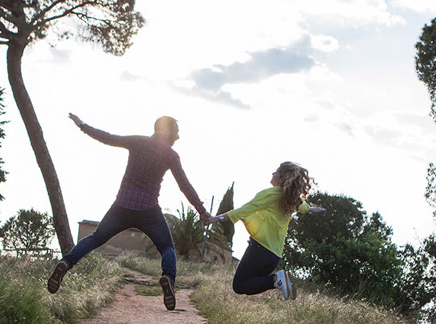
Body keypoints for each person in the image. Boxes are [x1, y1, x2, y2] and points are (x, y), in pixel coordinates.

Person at [47, 113, 210, 310]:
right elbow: (184, 185)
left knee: (96, 238)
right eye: (176, 132)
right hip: (148, 209)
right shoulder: (171, 155)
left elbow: (107, 137)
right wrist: (202, 211)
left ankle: (66, 263)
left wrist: (82, 125)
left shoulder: (137, 142)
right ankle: (168, 278)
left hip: (122, 205)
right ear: (165, 131)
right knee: (166, 247)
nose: (178, 137)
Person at [207, 161, 324, 300]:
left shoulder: (270, 194)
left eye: (276, 172)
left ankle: (276, 279)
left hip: (259, 250)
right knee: (247, 284)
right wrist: (311, 209)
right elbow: (302, 206)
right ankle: (276, 280)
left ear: (282, 178)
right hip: (274, 256)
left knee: (239, 285)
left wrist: (216, 219)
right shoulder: (291, 199)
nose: (272, 174)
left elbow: (244, 210)